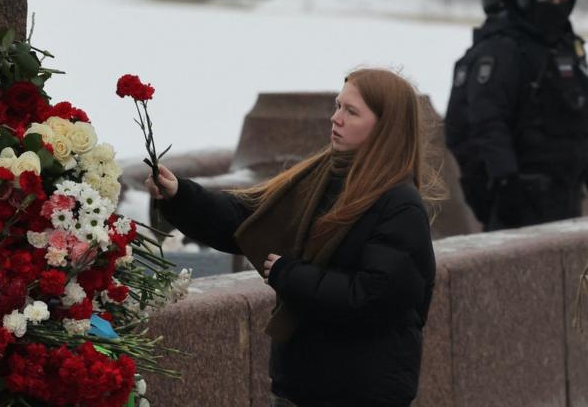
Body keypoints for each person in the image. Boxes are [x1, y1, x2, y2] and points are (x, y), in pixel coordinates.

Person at [146, 68, 437, 407]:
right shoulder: (320, 178)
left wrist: (290, 275)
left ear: (385, 127)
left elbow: (372, 298)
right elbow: (248, 220)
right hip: (301, 387)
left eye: (351, 111)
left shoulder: (400, 206)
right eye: (337, 106)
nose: (335, 118)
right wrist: (181, 196)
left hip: (359, 392)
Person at [445, 0, 588, 230]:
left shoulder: (564, 49)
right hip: (520, 198)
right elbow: (487, 121)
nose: (558, 6)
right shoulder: (503, 51)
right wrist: (505, 181)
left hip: (566, 192)